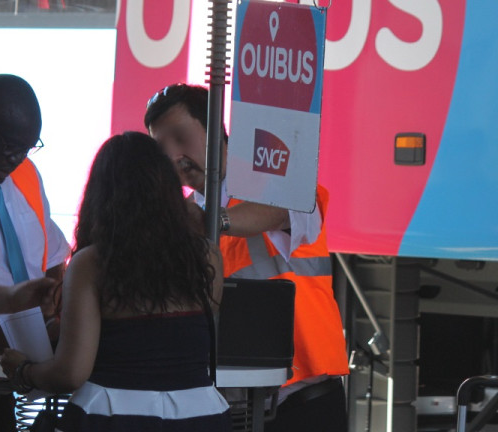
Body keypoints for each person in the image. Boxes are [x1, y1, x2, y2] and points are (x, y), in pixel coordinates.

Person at [144, 83, 349, 432]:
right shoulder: (183, 217)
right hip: (233, 406)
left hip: (303, 398)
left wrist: (214, 222)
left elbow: (285, 210)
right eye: (161, 146)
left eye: (180, 137)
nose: (173, 155)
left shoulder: (277, 181)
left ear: (214, 129)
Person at [0, 131, 230, 431]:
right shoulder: (208, 256)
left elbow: (71, 373)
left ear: (103, 197)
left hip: (112, 414)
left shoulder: (93, 263)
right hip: (200, 415)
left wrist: (24, 371)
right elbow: (172, 336)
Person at [0, 73, 70, 431]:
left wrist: (55, 292)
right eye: (6, 144)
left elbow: (53, 255)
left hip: (22, 368)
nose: (14, 158)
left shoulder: (24, 173)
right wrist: (13, 300)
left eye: (26, 147)